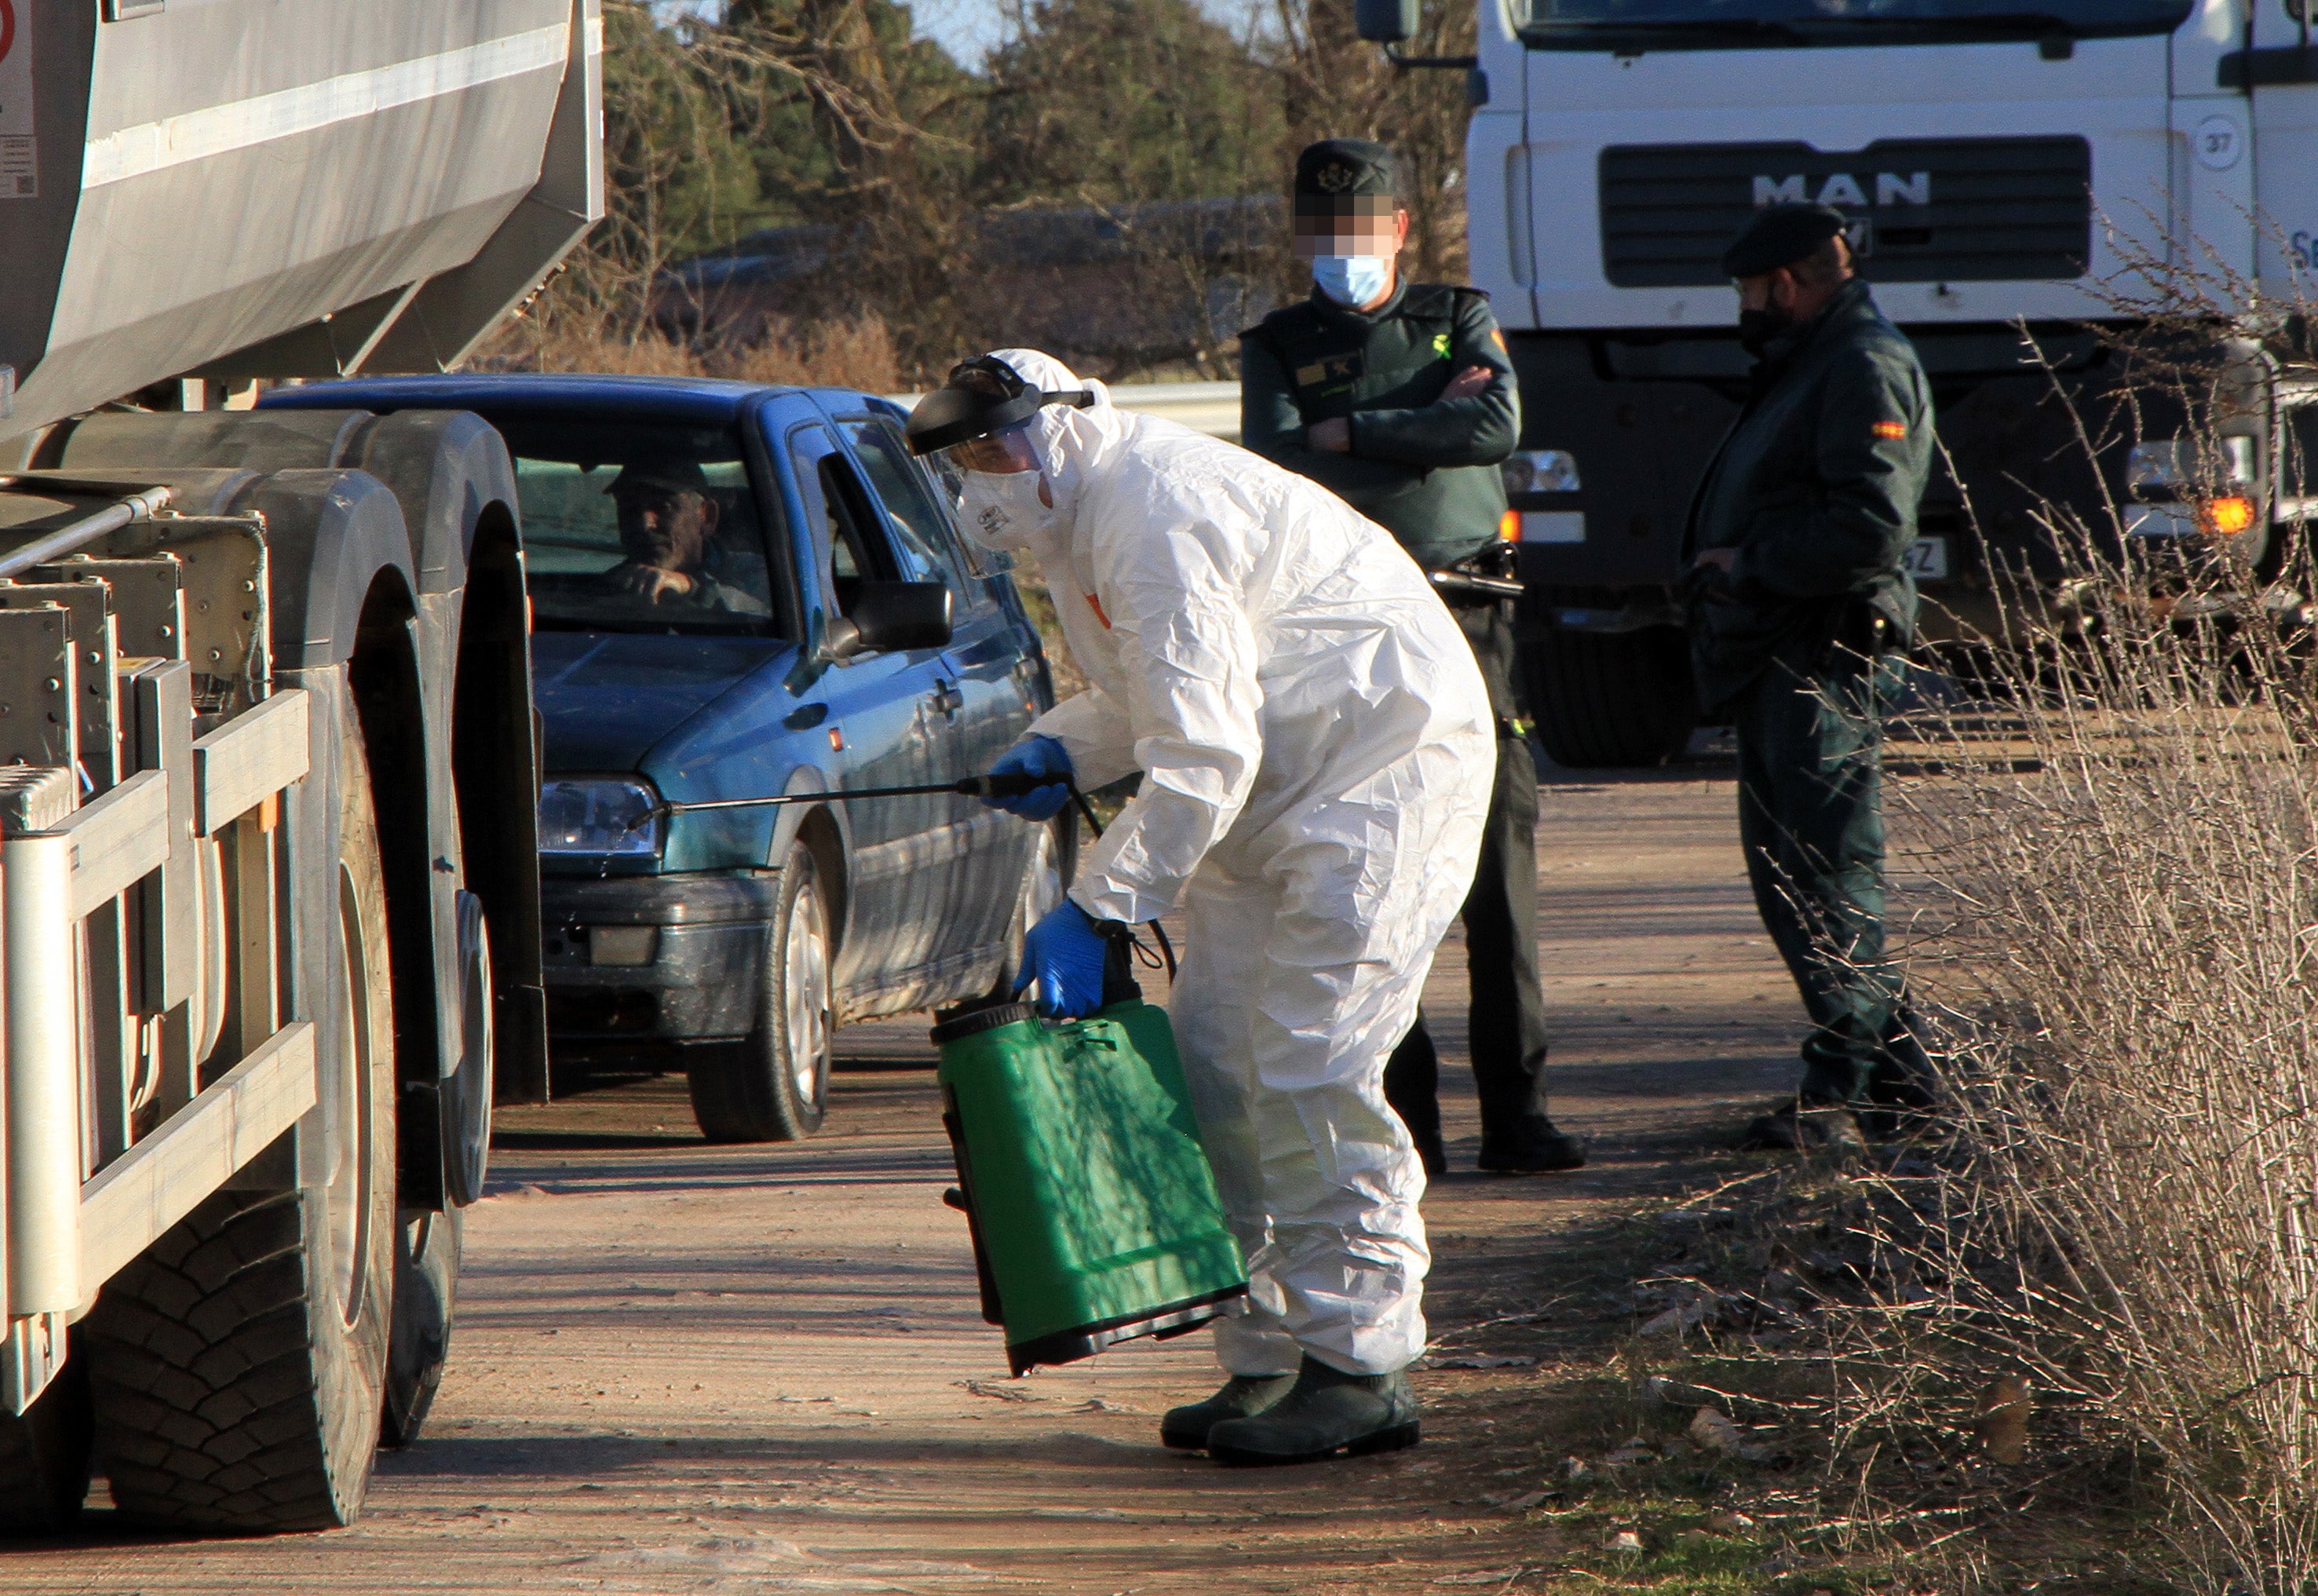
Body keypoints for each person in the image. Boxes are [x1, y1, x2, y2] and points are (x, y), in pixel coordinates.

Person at [907, 349, 1493, 1465]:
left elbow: (1205, 747)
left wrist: (1098, 906)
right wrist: (1066, 745)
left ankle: (1361, 1366)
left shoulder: (1156, 508)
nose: (986, 470)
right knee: (1219, 1071)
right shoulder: (1081, 522)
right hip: (1272, 793)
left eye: (999, 443)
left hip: (1379, 782)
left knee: (1313, 1068)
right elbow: (1159, 693)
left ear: (1062, 426)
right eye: (966, 454)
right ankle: (1266, 1352)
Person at [1239, 137, 1581, 1178]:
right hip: (1352, 634)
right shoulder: (1278, 343)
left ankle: (1518, 1116)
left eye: (1359, 228)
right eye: (1321, 230)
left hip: (1471, 614)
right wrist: (1422, 421)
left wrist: (1350, 431)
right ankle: (1408, 1124)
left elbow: (1494, 424)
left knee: (1497, 866)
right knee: (1378, 873)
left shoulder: (1456, 317)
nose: (1340, 247)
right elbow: (1277, 464)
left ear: (1398, 229)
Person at [1677, 203, 1936, 1152]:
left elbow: (1871, 527)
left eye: (1749, 290)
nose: (1743, 307)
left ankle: (1837, 1094)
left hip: (1821, 658)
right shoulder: (1813, 361)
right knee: (1797, 878)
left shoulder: (1862, 362)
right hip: (1780, 654)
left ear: (1784, 283)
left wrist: (1748, 563)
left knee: (1825, 879)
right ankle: (1901, 1085)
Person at [600, 459, 767, 615]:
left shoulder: (758, 573)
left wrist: (691, 588)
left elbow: (762, 614)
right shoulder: (608, 588)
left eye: (664, 507)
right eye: (629, 510)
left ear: (708, 517)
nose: (644, 525)